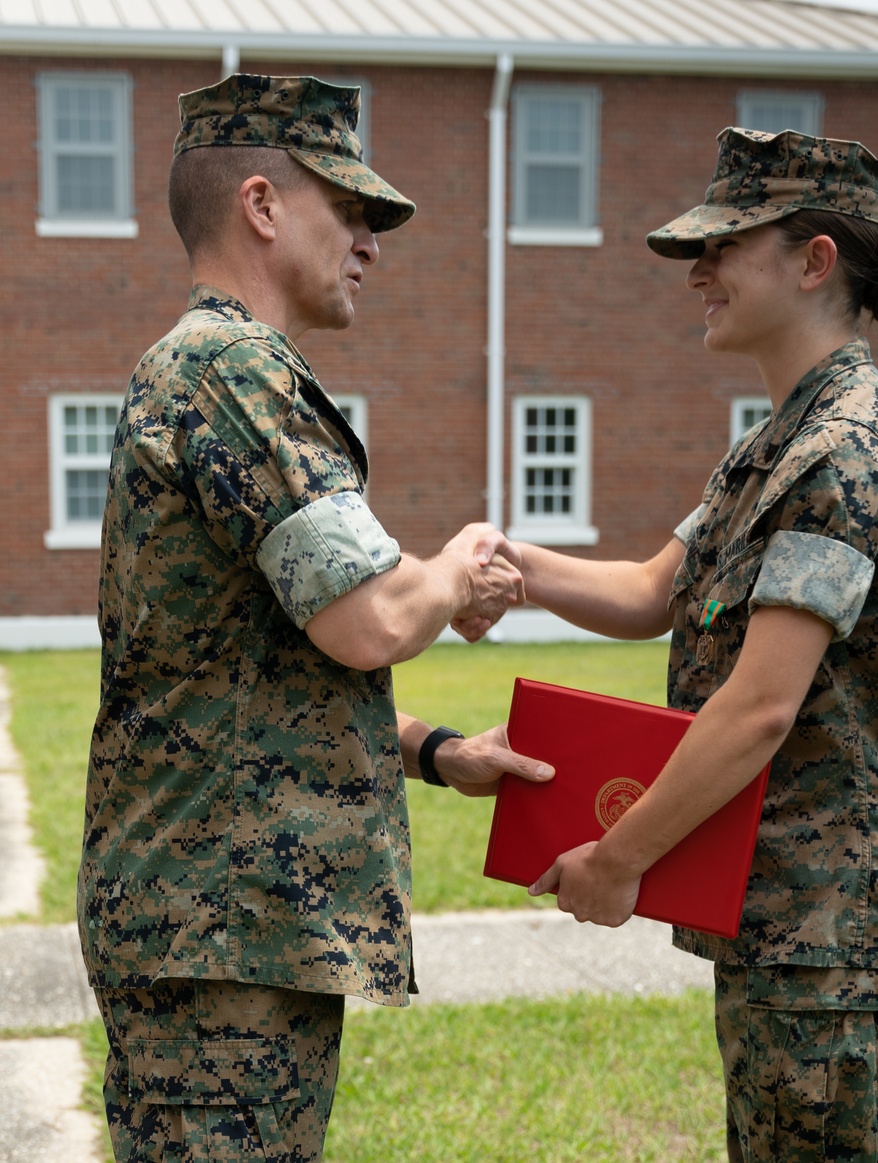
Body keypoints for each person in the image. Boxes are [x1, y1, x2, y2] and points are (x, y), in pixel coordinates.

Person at [78, 73, 551, 1163]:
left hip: (214, 923)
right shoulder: (233, 368)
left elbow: (230, 681)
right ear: (261, 205)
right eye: (351, 210)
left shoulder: (195, 372)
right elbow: (374, 618)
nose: (371, 244)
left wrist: (434, 752)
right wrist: (457, 567)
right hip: (223, 935)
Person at [498, 128, 878, 1161]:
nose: (698, 273)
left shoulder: (842, 447)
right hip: (784, 910)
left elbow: (761, 705)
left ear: (815, 261)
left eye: (725, 246)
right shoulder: (774, 443)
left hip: (833, 924)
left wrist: (618, 860)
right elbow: (649, 589)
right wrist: (502, 564)